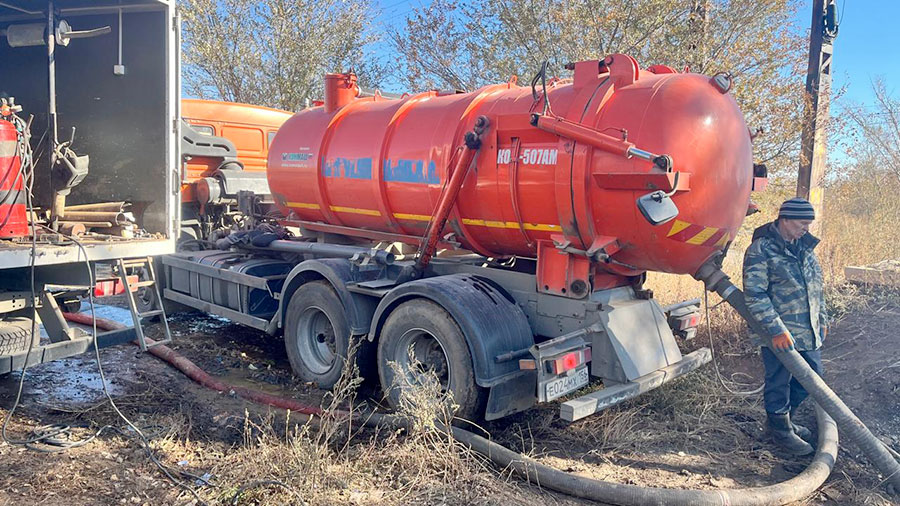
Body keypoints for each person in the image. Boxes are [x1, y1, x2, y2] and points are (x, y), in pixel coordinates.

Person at [742, 197, 828, 456]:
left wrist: (822, 318)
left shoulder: (804, 247)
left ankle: (781, 421)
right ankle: (780, 432)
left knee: (813, 378)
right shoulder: (761, 250)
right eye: (802, 223)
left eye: (809, 224)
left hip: (807, 330)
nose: (806, 229)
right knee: (778, 380)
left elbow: (816, 286)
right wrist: (774, 329)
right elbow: (755, 294)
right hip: (779, 333)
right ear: (785, 220)